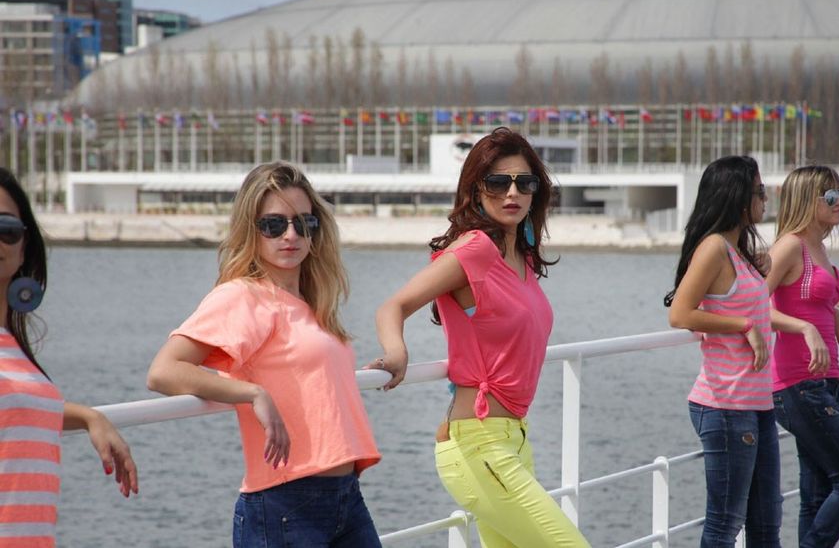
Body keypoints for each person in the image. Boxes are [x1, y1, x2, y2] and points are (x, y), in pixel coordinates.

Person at [146, 162, 382, 547]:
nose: (290, 235)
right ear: (250, 229)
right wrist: (253, 393)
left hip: (345, 496)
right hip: (284, 503)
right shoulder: (243, 296)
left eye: (303, 223)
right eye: (273, 225)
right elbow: (163, 371)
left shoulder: (312, 303)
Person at [374, 127, 590, 547]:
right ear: (476, 189)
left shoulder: (522, 258)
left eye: (524, 183)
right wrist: (396, 352)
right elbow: (393, 306)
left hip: (514, 438)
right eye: (498, 182)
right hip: (479, 445)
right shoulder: (474, 250)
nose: (512, 193)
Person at [0, 168, 138, 548]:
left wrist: (89, 416)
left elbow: (16, 408)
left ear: (24, 247)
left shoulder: (12, 346)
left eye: (6, 229)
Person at [665, 155, 782, 548]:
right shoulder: (714, 247)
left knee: (766, 524)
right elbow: (680, 314)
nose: (765, 198)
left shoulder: (738, 251)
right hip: (726, 404)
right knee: (725, 525)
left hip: (758, 403)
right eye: (759, 191)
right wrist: (743, 326)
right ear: (737, 196)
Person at [766, 165, 839, 547]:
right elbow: (754, 305)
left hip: (828, 380)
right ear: (805, 201)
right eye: (830, 196)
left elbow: (809, 296)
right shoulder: (789, 246)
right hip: (798, 384)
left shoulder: (820, 249)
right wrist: (805, 328)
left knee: (817, 494)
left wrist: (833, 313)